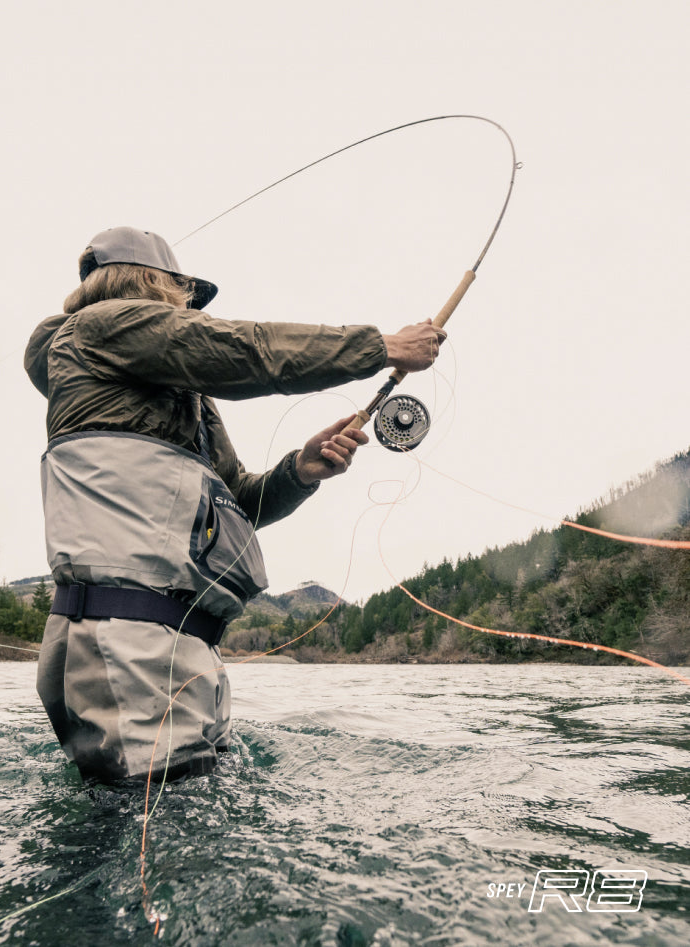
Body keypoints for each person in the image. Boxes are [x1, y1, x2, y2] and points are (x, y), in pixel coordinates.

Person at [24, 226, 444, 783]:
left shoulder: (182, 399)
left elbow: (238, 503)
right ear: (154, 282)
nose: (186, 310)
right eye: (183, 296)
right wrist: (380, 348)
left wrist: (301, 469)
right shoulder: (99, 326)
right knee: (160, 834)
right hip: (126, 639)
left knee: (182, 812)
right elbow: (248, 349)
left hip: (171, 646)